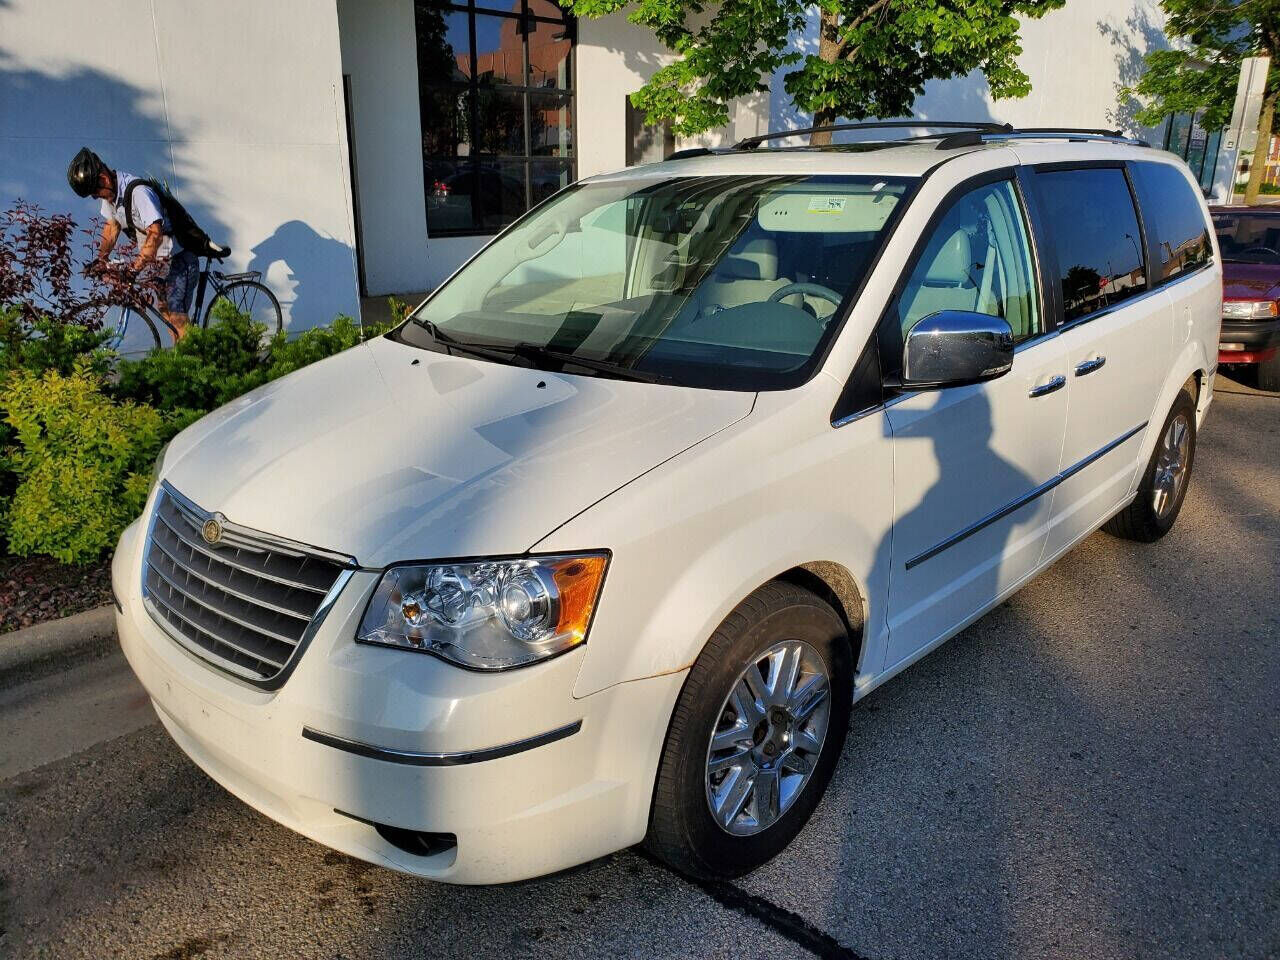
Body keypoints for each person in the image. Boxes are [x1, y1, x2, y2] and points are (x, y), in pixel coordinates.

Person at [67, 147, 198, 340]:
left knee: (177, 314)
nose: (96, 197)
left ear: (103, 179)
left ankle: (197, 364)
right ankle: (181, 362)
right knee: (166, 314)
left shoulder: (139, 194)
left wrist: (135, 268)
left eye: (95, 193)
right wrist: (100, 260)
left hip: (180, 258)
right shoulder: (111, 196)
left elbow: (155, 234)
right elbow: (112, 227)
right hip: (160, 263)